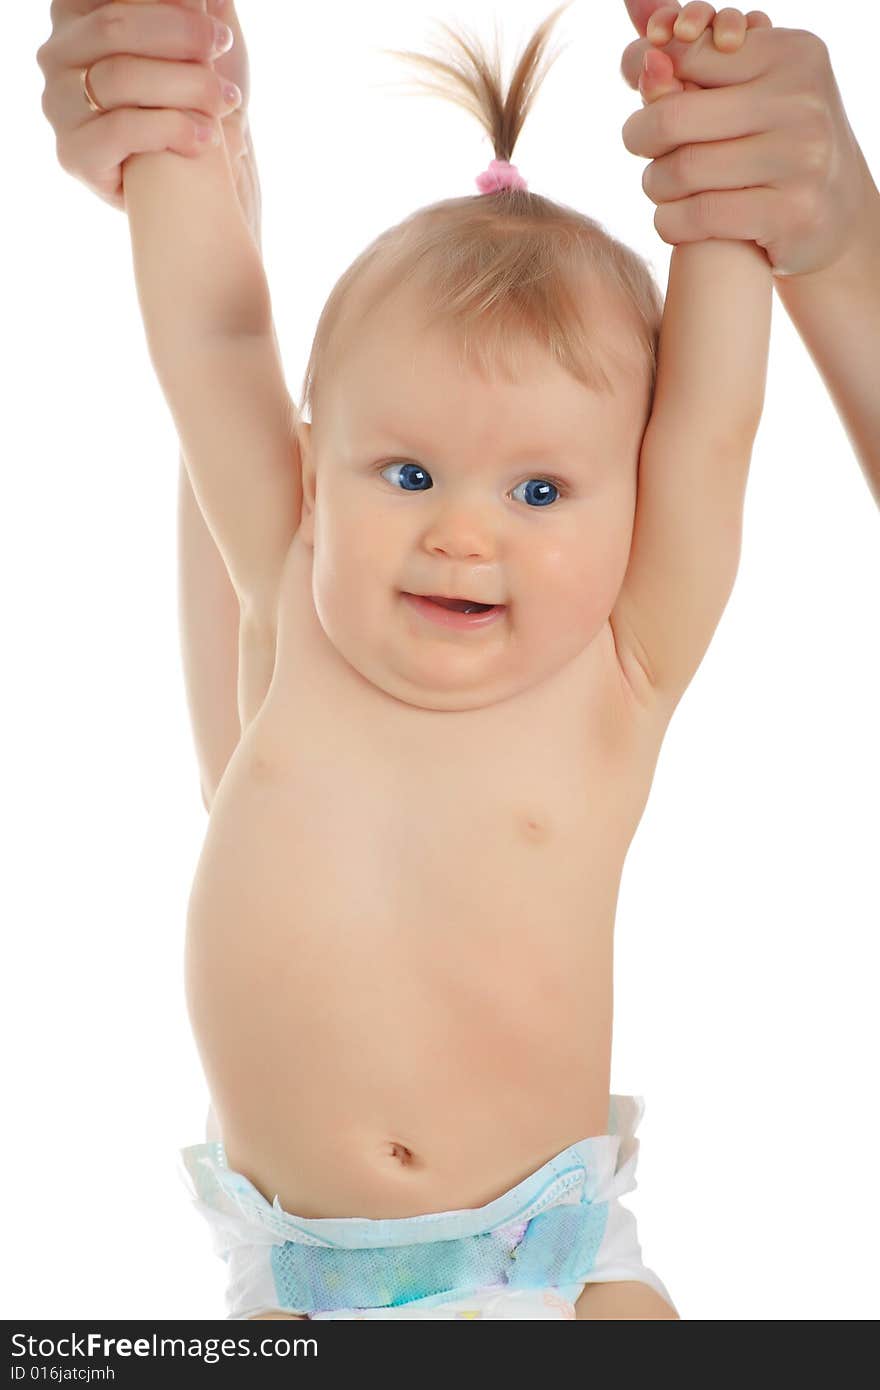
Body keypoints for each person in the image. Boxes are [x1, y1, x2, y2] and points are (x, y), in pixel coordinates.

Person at [28, 1, 863, 1322]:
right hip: (295, 1285)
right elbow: (218, 338)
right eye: (407, 471)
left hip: (556, 1263)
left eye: (540, 489)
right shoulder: (295, 586)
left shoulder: (619, 673)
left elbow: (712, 424)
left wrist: (722, 178)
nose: (463, 532)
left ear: (630, 503)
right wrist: (174, 115)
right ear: (314, 465)